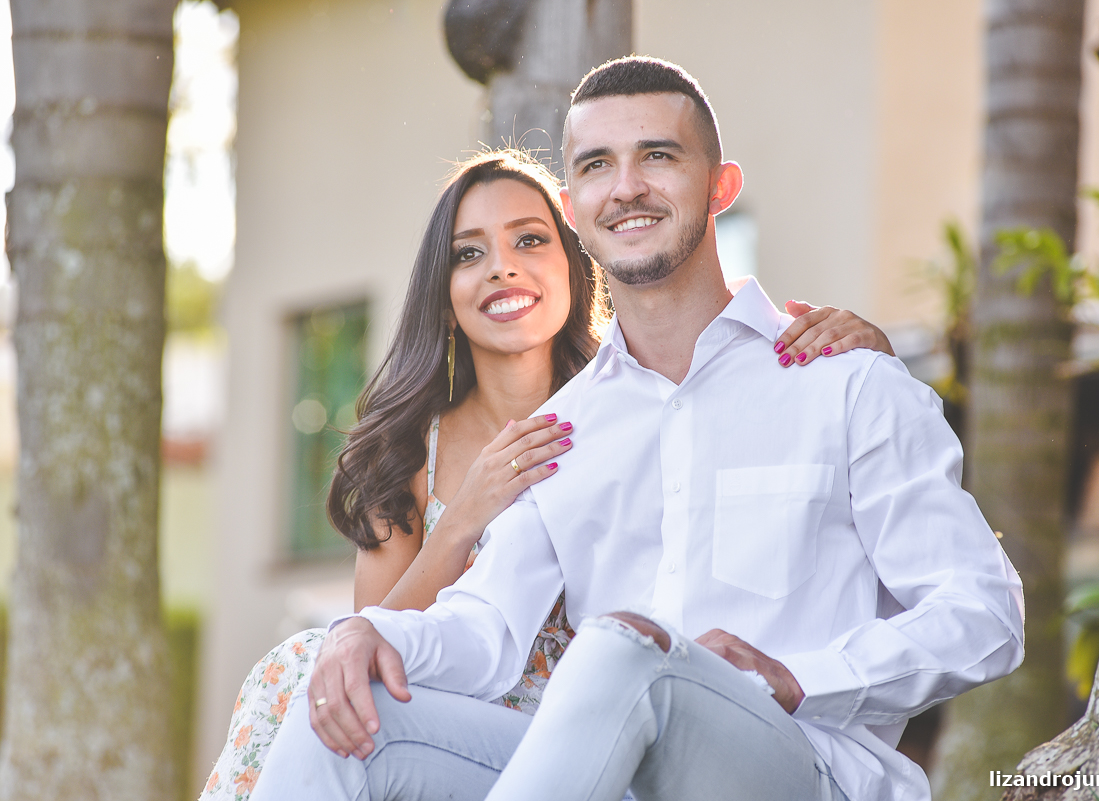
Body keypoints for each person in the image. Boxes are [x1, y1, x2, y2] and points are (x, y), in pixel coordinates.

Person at [250, 57, 1024, 801]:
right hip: (606, 771)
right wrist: (368, 635)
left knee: (628, 648)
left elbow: (983, 615)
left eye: (657, 155)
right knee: (343, 718)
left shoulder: (846, 383)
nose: (626, 188)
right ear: (575, 206)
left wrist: (798, 676)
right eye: (595, 166)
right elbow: (485, 624)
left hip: (803, 765)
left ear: (720, 187)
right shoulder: (562, 430)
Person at [199, 149, 893, 800]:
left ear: (576, 263)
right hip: (450, 709)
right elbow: (376, 632)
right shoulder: (408, 450)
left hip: (605, 712)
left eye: (529, 240)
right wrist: (465, 517)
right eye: (469, 254)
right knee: (308, 662)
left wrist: (862, 353)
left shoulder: (644, 401)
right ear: (443, 295)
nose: (501, 268)